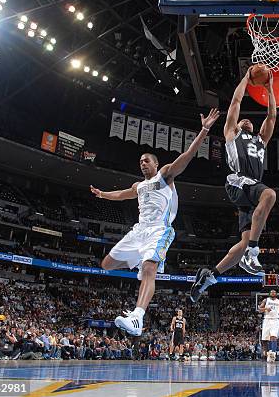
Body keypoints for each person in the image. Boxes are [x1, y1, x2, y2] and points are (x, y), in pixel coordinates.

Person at [91, 109, 221, 335]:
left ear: (155, 163)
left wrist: (205, 129)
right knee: (106, 265)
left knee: (150, 269)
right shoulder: (138, 186)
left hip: (159, 231)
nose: (142, 163)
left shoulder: (165, 176)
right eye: (140, 161)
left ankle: (137, 317)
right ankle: (138, 262)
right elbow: (122, 194)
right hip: (138, 232)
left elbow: (189, 154)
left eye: (146, 160)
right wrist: (102, 195)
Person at [190, 70, 277, 302]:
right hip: (239, 181)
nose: (246, 119)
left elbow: (271, 117)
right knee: (269, 195)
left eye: (249, 120)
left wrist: (270, 90)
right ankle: (253, 251)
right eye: (242, 120)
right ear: (236, 126)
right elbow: (236, 101)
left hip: (249, 191)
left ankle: (211, 275)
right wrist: (246, 78)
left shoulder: (261, 140)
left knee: (243, 241)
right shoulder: (232, 134)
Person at [258, 289, 279, 362]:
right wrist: (266, 308)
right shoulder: (265, 300)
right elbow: (259, 309)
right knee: (264, 340)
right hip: (266, 320)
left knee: (274, 337)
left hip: (275, 320)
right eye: (271, 292)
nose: (273, 293)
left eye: (274, 292)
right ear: (269, 293)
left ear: (276, 294)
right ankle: (265, 355)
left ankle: (272, 355)